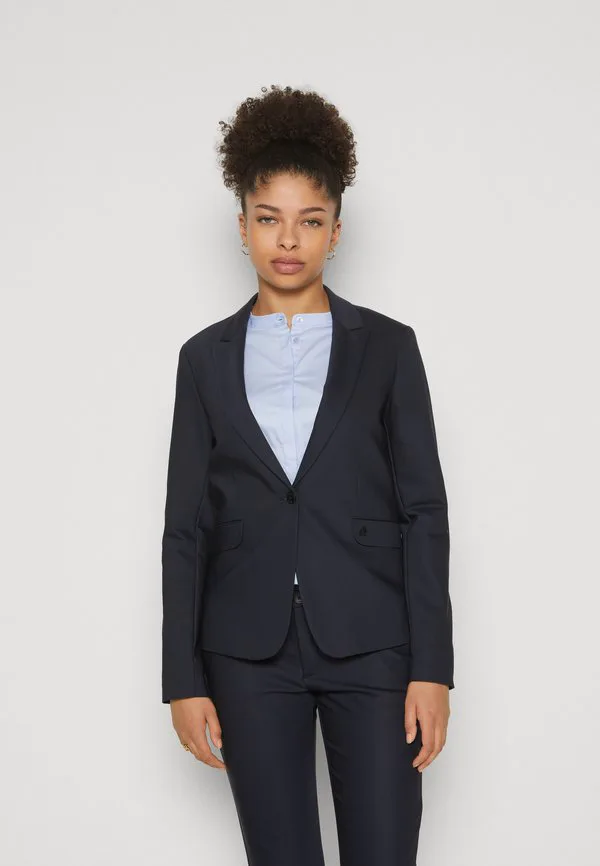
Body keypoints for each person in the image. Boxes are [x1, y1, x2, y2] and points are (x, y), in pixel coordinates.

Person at [161, 84, 454, 866]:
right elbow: (185, 529)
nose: (288, 239)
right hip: (245, 653)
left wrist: (432, 669)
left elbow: (424, 510)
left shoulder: (387, 348)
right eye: (268, 218)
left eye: (310, 220)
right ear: (242, 227)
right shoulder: (203, 359)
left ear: (336, 230)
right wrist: (181, 679)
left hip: (373, 644)